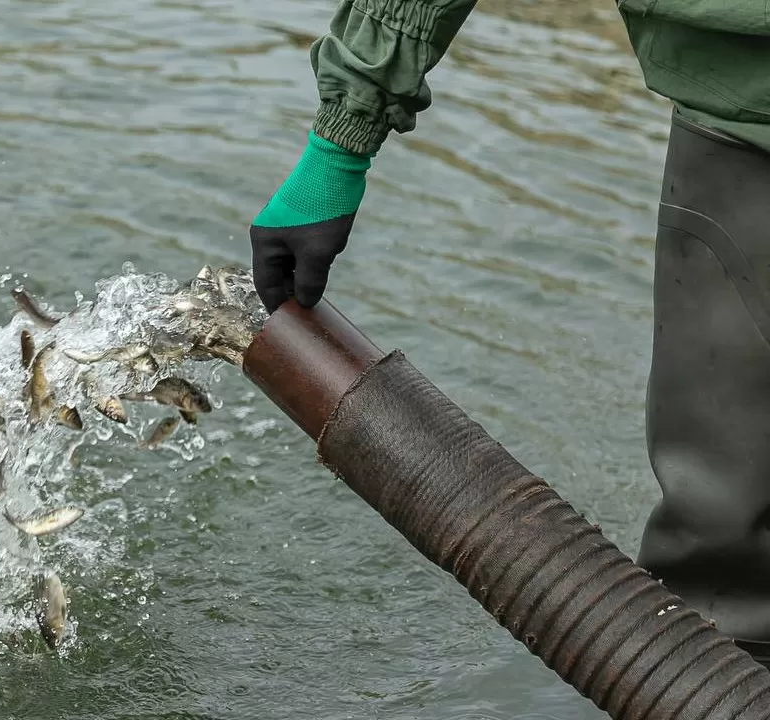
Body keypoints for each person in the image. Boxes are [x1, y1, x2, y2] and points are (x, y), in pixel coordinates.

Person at [249, 0, 770, 666]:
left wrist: (338, 148)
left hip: (738, 110)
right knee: (727, 572)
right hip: (742, 114)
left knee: (724, 570)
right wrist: (340, 145)